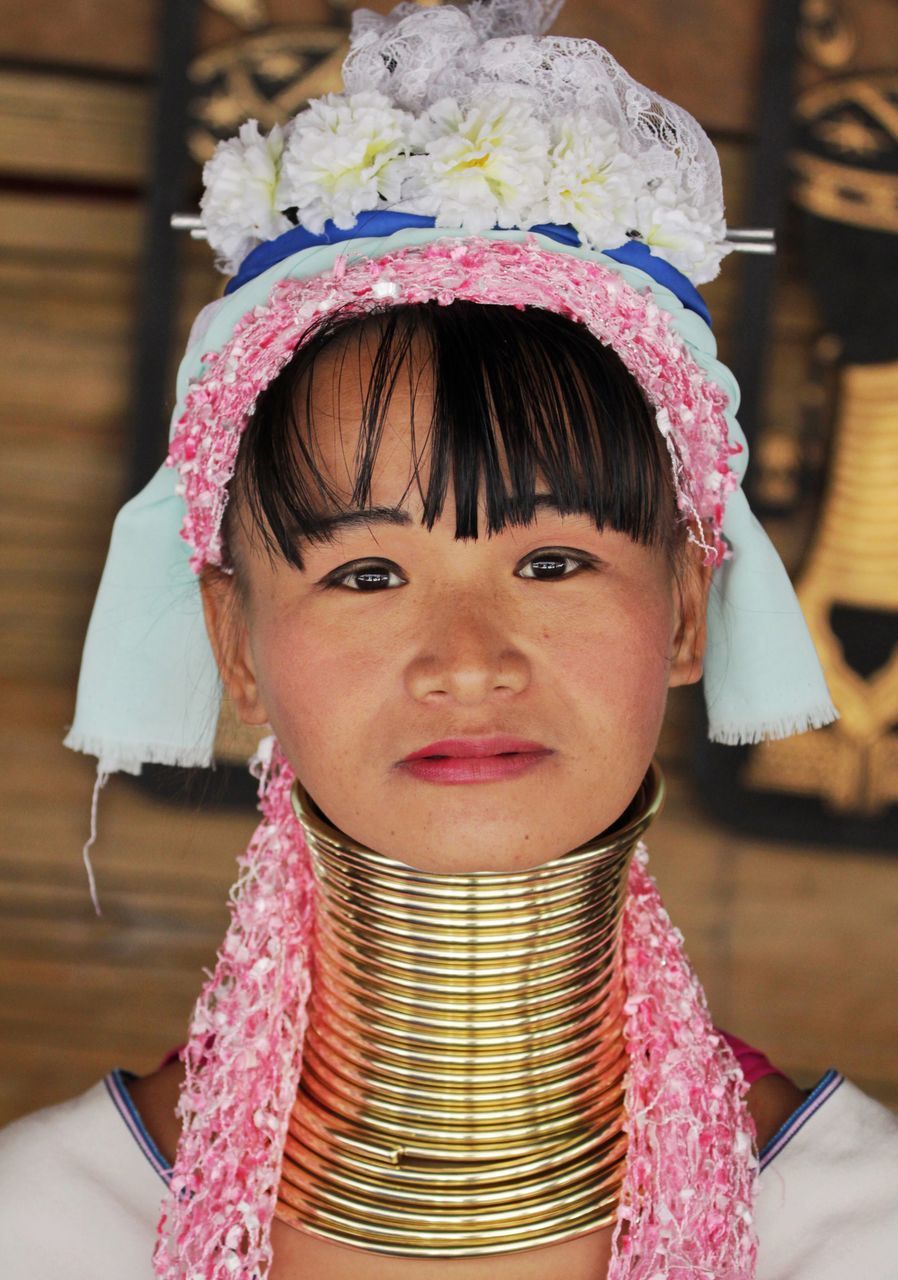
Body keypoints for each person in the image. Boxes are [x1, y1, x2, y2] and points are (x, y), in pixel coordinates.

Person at [2, 3, 896, 1278]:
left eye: (551, 560)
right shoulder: (45, 1226)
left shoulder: (856, 1227)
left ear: (690, 606)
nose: (467, 657)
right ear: (234, 644)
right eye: (368, 572)